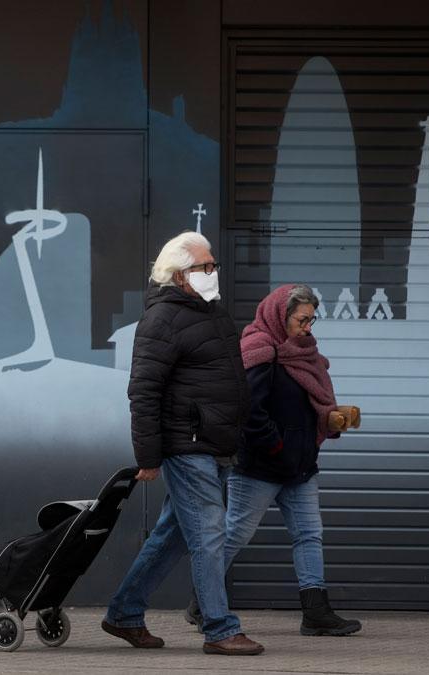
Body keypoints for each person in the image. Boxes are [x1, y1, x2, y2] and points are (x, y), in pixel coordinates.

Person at [101, 232, 265, 656]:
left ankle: (123, 612)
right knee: (210, 533)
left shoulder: (210, 312)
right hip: (187, 445)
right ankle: (220, 627)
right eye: (205, 267)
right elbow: (143, 391)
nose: (213, 273)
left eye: (214, 266)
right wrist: (148, 456)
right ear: (179, 275)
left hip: (215, 444)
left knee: (172, 535)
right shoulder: (162, 321)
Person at [187, 283, 363, 636]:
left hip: (300, 467)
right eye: (302, 320)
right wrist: (277, 448)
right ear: (280, 316)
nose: (307, 328)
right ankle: (204, 603)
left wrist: (328, 418)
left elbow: (300, 407)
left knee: (309, 534)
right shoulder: (258, 349)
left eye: (312, 321)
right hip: (261, 467)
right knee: (236, 533)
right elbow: (250, 410)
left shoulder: (305, 354)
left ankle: (316, 613)